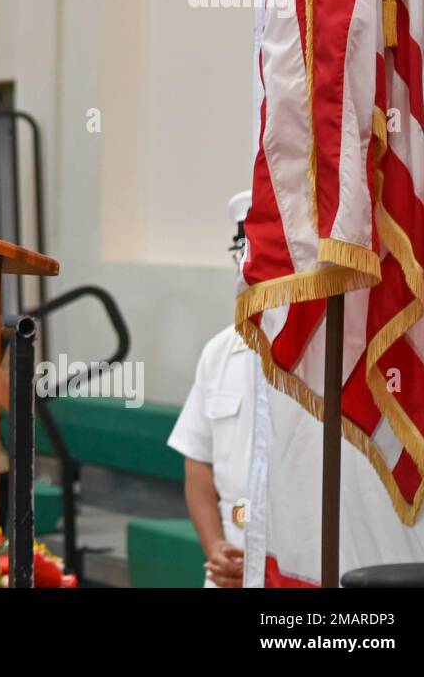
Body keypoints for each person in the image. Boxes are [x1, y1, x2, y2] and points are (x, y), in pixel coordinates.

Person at [167, 190, 255, 588]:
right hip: (229, 570)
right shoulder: (221, 351)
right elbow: (198, 460)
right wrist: (215, 547)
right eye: (240, 253)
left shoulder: (327, 355)